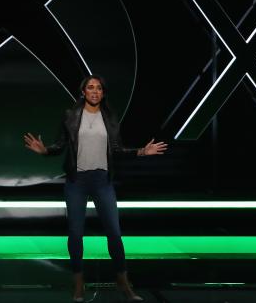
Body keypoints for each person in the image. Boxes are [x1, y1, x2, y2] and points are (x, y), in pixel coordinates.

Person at [24, 74, 167, 302]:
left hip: (102, 181)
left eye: (98, 88)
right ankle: (79, 284)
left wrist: (141, 151)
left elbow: (117, 149)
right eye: (90, 87)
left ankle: (123, 282)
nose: (94, 91)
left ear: (102, 93)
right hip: (76, 182)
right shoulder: (70, 115)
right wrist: (44, 151)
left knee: (115, 234)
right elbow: (60, 145)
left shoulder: (109, 117)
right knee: (75, 234)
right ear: (83, 92)